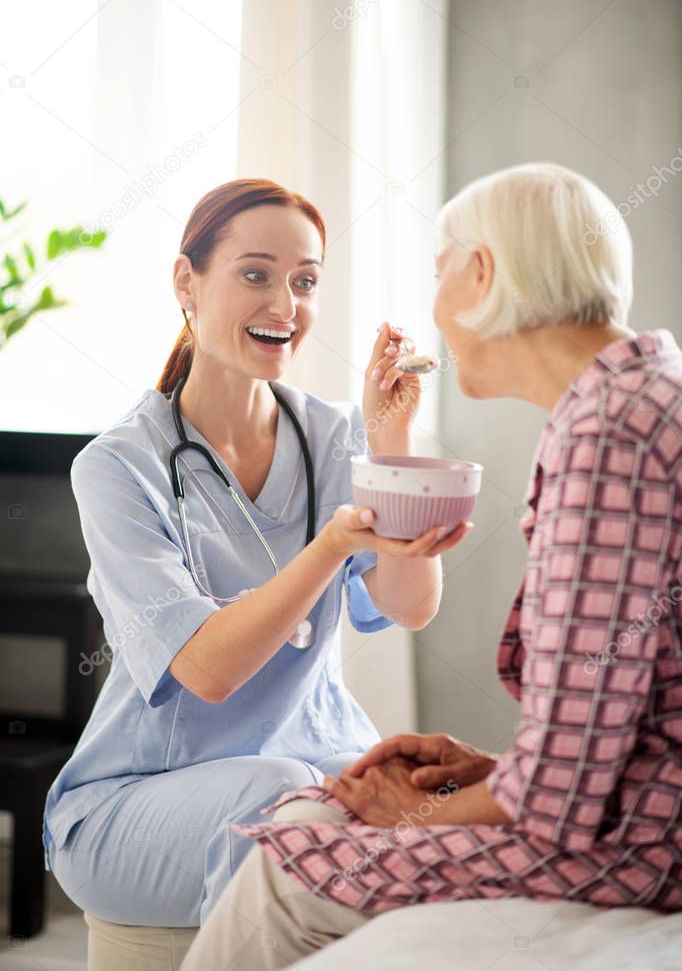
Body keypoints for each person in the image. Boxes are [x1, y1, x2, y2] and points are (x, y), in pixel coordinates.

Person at [179, 163, 682, 971]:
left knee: (280, 869)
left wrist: (421, 808)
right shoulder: (643, 396)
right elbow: (623, 717)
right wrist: (491, 769)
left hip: (642, 845)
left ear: (482, 272)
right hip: (641, 812)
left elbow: (559, 794)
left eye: (441, 271)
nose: (437, 307)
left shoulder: (608, 437)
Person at [42, 178, 472, 928]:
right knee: (279, 796)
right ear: (187, 282)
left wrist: (390, 447)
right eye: (255, 274)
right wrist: (332, 541)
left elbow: (411, 603)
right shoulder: (118, 467)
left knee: (439, 796)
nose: (285, 305)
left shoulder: (337, 436)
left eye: (304, 281)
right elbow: (207, 670)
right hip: (138, 801)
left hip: (313, 764)